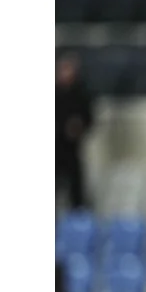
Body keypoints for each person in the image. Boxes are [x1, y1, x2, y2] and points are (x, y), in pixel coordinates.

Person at [56, 54, 94, 210]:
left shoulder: (81, 94)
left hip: (72, 148)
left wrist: (79, 127)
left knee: (76, 188)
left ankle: (77, 216)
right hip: (55, 148)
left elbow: (89, 119)